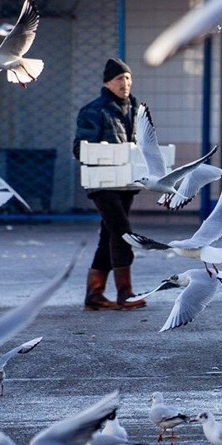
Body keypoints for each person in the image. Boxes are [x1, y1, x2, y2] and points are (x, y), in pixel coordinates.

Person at [73, 58, 146, 311]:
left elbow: (147, 144)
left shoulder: (138, 109)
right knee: (123, 231)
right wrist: (105, 155)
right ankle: (125, 293)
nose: (124, 83)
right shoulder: (93, 110)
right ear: (107, 82)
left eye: (127, 78)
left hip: (126, 182)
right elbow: (79, 149)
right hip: (102, 183)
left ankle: (94, 295)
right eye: (119, 79)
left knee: (109, 236)